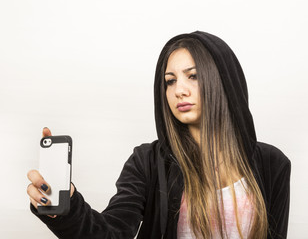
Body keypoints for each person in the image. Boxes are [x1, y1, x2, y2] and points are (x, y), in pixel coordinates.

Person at [27, 31, 291, 238]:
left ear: (222, 81)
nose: (179, 90)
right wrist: (67, 205)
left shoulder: (272, 164)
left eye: (193, 76)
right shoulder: (148, 161)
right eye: (170, 81)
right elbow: (112, 232)